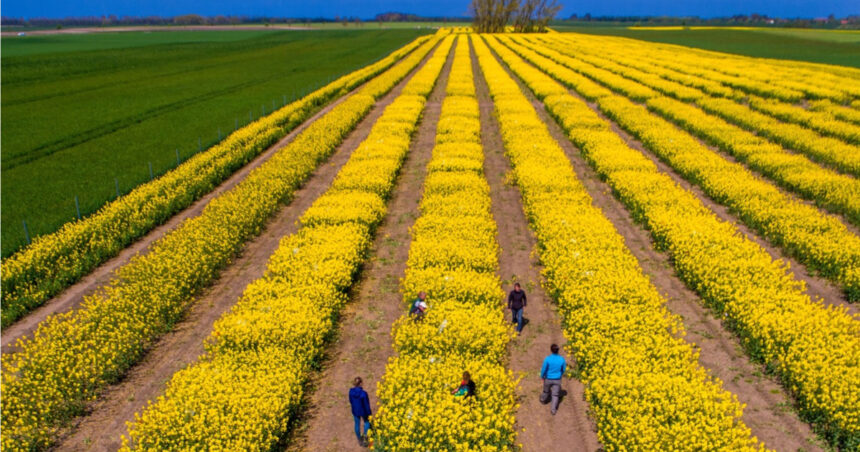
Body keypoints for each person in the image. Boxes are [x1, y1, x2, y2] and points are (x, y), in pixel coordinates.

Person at [540, 344, 566, 415]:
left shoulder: (547, 359)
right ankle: (553, 410)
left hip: (548, 378)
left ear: (551, 350)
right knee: (555, 395)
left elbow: (544, 369)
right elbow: (563, 369)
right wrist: (560, 374)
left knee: (546, 391)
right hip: (557, 379)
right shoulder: (562, 359)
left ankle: (543, 400)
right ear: (558, 350)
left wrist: (542, 376)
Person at [349, 377, 372, 447]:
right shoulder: (363, 394)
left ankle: (359, 439)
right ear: (361, 383)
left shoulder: (350, 392)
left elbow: (350, 401)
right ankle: (365, 438)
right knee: (367, 422)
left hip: (355, 410)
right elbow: (366, 404)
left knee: (357, 424)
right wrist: (369, 413)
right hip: (363, 411)